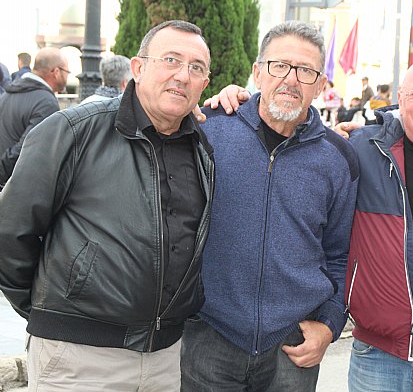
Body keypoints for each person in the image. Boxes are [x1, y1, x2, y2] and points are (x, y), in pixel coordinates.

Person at [209, 57, 413, 391]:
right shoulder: (361, 150)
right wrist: (239, 100)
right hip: (376, 359)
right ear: (401, 97)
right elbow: (291, 131)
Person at [0, 20, 214, 391]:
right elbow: (9, 231)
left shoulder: (201, 150)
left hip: (164, 358)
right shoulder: (73, 131)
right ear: (138, 67)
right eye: (171, 59)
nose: (183, 74)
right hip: (79, 359)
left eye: (196, 67)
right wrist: (49, 312)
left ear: (205, 83)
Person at [180, 20, 358, 391]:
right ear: (257, 73)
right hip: (210, 333)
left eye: (306, 71)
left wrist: (329, 324)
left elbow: (344, 255)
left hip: (293, 342)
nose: (291, 79)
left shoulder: (339, 158)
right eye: (280, 66)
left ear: (321, 85)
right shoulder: (208, 130)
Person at [0, 47, 68, 188]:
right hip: (15, 189)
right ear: (56, 72)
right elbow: (28, 149)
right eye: (66, 72)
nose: (67, 77)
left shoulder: (8, 93)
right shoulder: (46, 102)